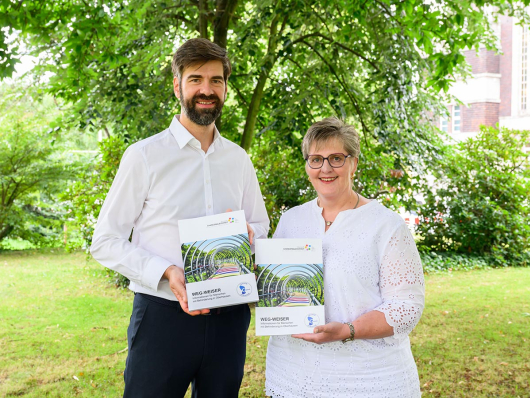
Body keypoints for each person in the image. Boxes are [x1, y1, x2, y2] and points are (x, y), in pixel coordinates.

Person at [90, 38, 269, 398]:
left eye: (216, 80)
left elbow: (260, 226)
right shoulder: (143, 156)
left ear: (225, 87)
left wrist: (251, 238)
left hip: (229, 319)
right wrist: (166, 271)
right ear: (177, 85)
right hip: (162, 318)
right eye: (196, 79)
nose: (207, 89)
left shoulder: (238, 160)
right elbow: (105, 242)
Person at [265, 117, 425, 398]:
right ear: (307, 165)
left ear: (354, 163)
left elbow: (407, 306)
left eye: (336, 158)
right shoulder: (291, 220)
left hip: (370, 379)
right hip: (292, 375)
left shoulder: (386, 225)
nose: (325, 168)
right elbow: (279, 290)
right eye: (316, 159)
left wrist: (348, 330)